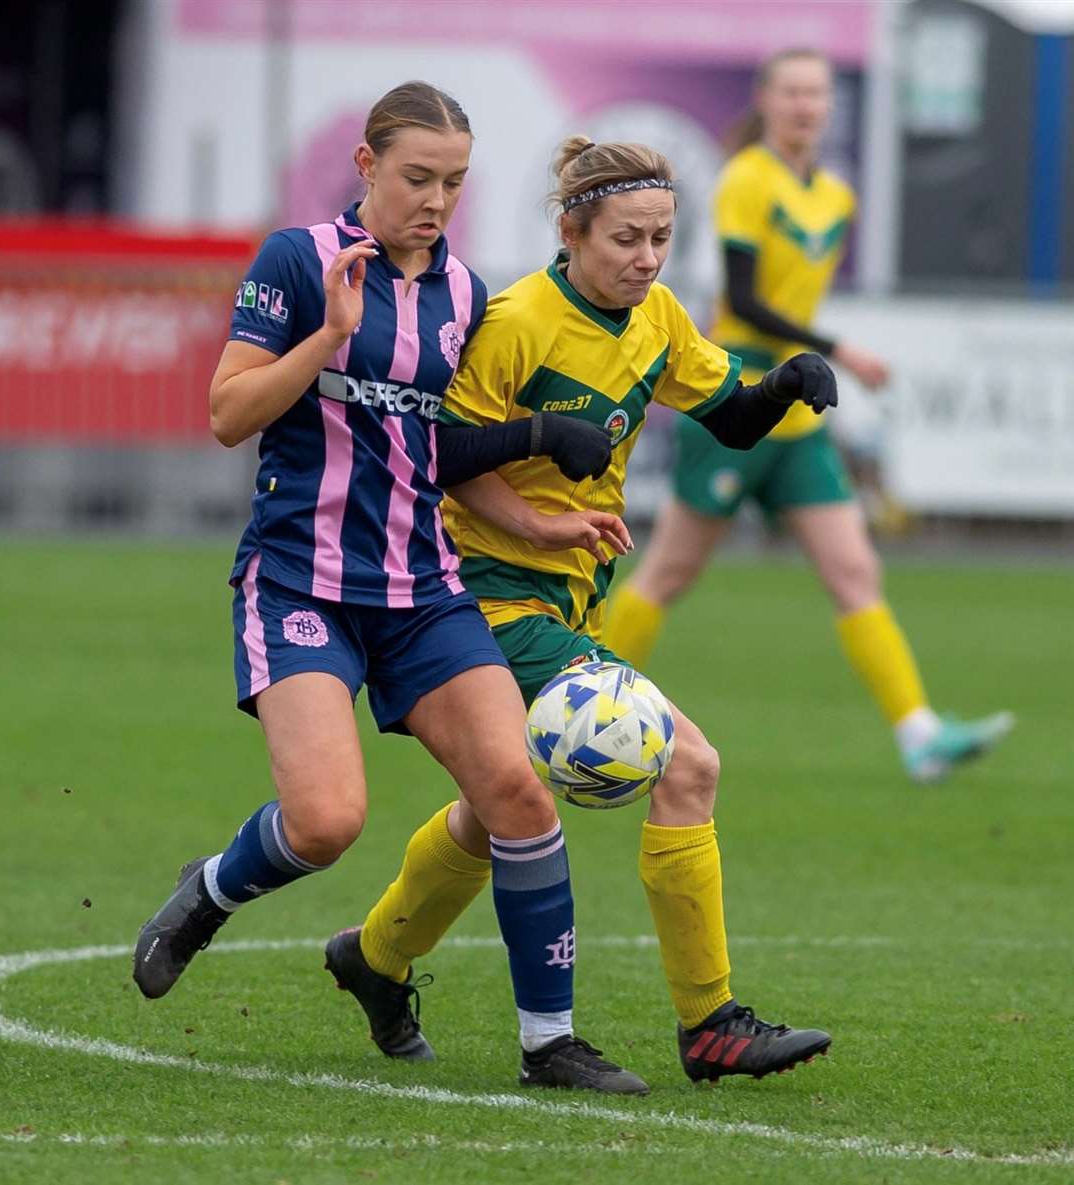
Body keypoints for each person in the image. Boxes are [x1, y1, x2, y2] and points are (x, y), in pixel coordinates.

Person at [131, 81, 649, 1096]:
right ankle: (209, 892)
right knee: (325, 824)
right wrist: (327, 339)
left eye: (454, 182)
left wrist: (540, 519)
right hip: (300, 581)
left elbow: (436, 451)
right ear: (366, 167)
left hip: (423, 588)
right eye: (418, 177)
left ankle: (551, 1043)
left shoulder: (465, 295)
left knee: (515, 789)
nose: (436, 199)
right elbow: (229, 413)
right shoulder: (296, 260)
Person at [337, 135, 836, 1087]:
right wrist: (536, 513)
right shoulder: (518, 319)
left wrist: (780, 385)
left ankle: (376, 954)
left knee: (498, 813)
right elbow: (439, 456)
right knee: (689, 759)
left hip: (566, 599)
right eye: (625, 239)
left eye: (660, 238)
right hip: (483, 595)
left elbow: (726, 412)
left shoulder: (656, 317)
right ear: (571, 232)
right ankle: (711, 1022)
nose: (646, 259)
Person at [606, 49, 1013, 783]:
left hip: (797, 411)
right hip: (735, 398)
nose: (804, 105)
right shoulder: (746, 181)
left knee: (855, 570)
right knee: (667, 573)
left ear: (830, 106)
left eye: (816, 94)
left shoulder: (836, 194)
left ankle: (919, 733)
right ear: (767, 98)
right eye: (791, 91)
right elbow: (749, 300)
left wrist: (822, 356)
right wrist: (840, 349)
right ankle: (566, 702)